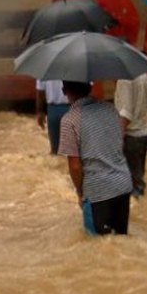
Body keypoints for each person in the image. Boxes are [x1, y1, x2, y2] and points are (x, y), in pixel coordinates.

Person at [58, 80, 133, 236]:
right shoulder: (110, 109)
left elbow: (75, 166)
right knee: (120, 243)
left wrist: (80, 193)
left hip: (98, 191)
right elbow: (119, 143)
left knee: (98, 245)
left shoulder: (70, 120)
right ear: (90, 88)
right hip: (123, 184)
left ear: (64, 90)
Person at [114, 73, 147, 198]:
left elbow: (126, 114)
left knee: (132, 185)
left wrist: (118, 137)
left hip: (130, 137)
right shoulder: (143, 76)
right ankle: (143, 211)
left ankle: (138, 212)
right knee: (138, 179)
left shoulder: (124, 80)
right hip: (143, 136)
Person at [36, 80, 70, 155]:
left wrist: (40, 112)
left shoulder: (45, 69)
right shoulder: (79, 69)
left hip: (53, 111)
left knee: (55, 152)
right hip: (73, 109)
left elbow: (40, 91)